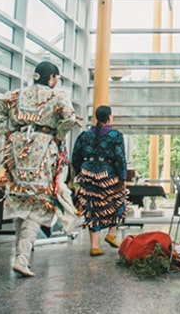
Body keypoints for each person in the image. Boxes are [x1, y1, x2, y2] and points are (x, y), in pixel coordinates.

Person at [0, 61, 79, 277]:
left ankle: (20, 254)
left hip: (17, 149)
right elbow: (69, 118)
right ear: (51, 78)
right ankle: (22, 259)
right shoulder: (57, 96)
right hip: (42, 149)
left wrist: (10, 133)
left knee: (20, 198)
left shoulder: (15, 94)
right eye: (56, 78)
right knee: (38, 201)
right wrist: (56, 136)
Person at [72, 105, 128, 256]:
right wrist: (123, 176)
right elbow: (120, 157)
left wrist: (80, 172)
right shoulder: (115, 135)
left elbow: (75, 156)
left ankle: (95, 245)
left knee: (92, 207)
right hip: (108, 175)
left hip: (88, 174)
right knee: (118, 201)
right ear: (109, 117)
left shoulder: (84, 135)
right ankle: (111, 233)